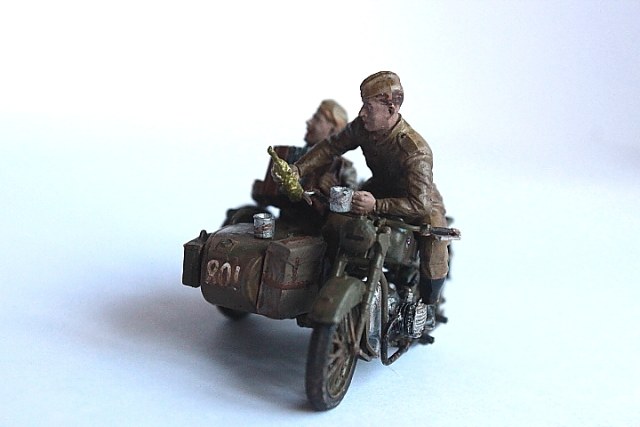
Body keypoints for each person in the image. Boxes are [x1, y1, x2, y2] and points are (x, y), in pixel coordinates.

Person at [289, 71, 449, 329]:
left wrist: (377, 205)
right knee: (334, 221)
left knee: (434, 242)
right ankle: (328, 282)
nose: (362, 113)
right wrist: (299, 169)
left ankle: (428, 306)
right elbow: (331, 146)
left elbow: (420, 204)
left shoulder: (415, 150)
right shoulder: (363, 128)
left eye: (369, 107)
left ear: (391, 109)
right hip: (378, 189)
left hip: (418, 199)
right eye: (363, 105)